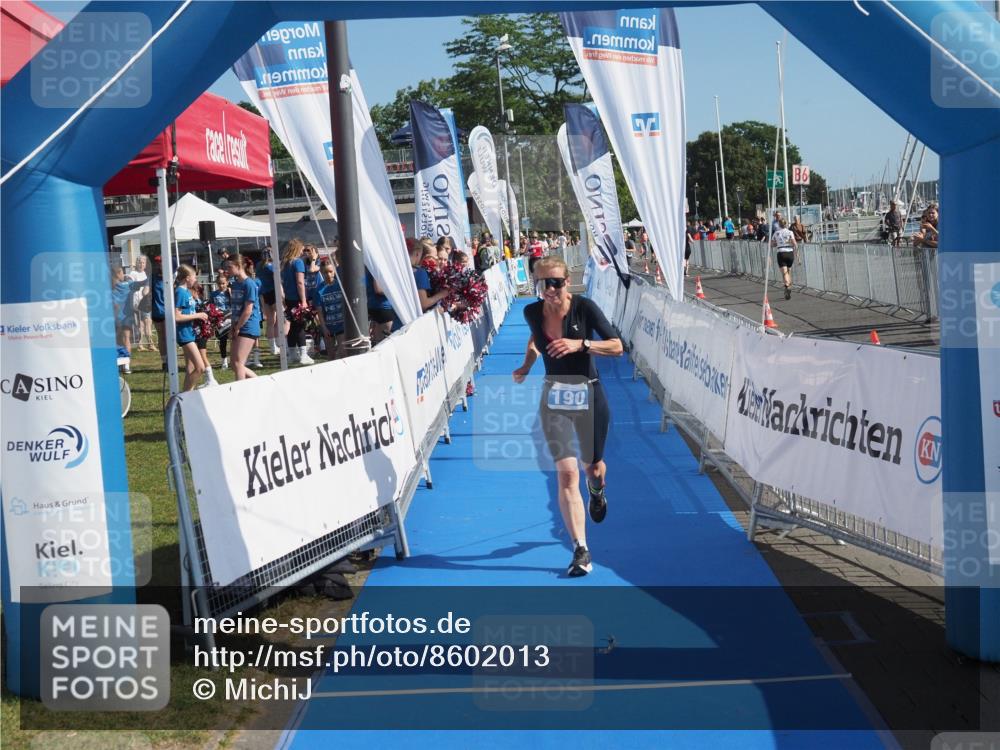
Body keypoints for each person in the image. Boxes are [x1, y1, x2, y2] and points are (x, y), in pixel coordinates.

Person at [512, 256, 624, 577]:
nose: (550, 289)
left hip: (589, 394)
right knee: (566, 474)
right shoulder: (531, 312)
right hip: (555, 398)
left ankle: (598, 490)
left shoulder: (584, 308)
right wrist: (526, 366)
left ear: (567, 282)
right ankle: (580, 549)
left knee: (593, 468)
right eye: (543, 283)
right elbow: (536, 341)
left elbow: (617, 346)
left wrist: (581, 344)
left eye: (557, 282)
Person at [224, 255, 262, 381]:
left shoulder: (249, 284)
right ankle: (259, 382)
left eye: (230, 267)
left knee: (239, 363)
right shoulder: (234, 284)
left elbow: (248, 310)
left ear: (239, 266)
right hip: (237, 325)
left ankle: (240, 391)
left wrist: (238, 327)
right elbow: (235, 309)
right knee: (234, 364)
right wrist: (233, 327)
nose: (227, 270)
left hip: (248, 325)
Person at [173, 264, 208, 392]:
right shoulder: (180, 292)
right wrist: (198, 315)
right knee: (200, 367)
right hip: (184, 334)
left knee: (191, 367)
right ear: (187, 278)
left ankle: (188, 395)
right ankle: (184, 396)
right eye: (194, 277)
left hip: (190, 332)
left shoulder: (187, 292)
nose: (195, 280)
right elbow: (177, 316)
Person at [280, 238, 315, 365]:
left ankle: (292, 354)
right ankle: (303, 355)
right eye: (301, 249)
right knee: (300, 326)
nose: (303, 251)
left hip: (288, 298)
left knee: (293, 327)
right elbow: (300, 282)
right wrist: (304, 300)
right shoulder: (298, 263)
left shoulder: (284, 263)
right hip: (297, 299)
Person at [313, 259, 345, 360]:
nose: (328, 274)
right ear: (322, 273)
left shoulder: (340, 285)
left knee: (343, 352)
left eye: (330, 271)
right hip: (328, 326)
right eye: (325, 272)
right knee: (331, 355)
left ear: (334, 271)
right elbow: (320, 311)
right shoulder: (319, 290)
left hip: (342, 325)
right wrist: (324, 327)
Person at [411, 239, 451, 311]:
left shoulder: (418, 270)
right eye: (435, 256)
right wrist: (442, 294)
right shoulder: (421, 272)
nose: (436, 258)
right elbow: (423, 304)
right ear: (426, 257)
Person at [257, 249, 279, 355]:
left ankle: (273, 347)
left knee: (270, 322)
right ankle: (279, 343)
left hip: (264, 294)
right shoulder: (271, 266)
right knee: (280, 319)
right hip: (273, 293)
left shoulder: (259, 266)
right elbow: (277, 279)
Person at [771, 217, 799, 300]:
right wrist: (797, 255)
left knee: (784, 273)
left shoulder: (776, 233)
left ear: (779, 224)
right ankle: (789, 286)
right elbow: (795, 244)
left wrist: (777, 244)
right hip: (790, 253)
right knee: (788, 271)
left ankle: (787, 286)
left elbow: (772, 244)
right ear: (786, 224)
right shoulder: (790, 232)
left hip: (781, 252)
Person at [209, 271, 232, 370]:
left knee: (234, 340)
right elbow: (211, 306)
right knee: (222, 341)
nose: (221, 285)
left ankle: (235, 359)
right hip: (219, 320)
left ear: (227, 283)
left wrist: (231, 294)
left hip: (231, 319)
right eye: (219, 283)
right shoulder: (213, 294)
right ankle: (224, 361)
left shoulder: (230, 292)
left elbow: (235, 304)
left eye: (223, 283)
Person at [366, 270, 394, 344]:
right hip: (384, 309)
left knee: (378, 342)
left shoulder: (367, 269)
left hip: (373, 308)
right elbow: (378, 289)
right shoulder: (377, 268)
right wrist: (395, 291)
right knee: (385, 343)